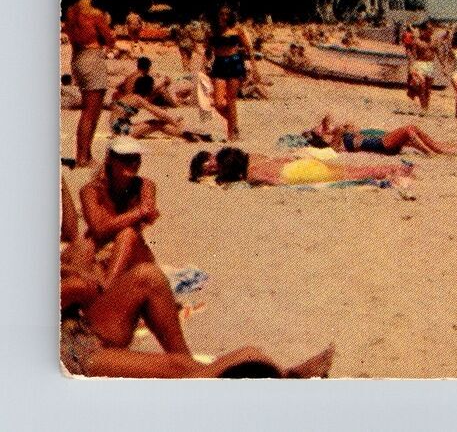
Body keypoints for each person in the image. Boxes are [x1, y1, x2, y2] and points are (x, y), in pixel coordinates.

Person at [60, 182, 334, 378]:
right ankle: (284, 381)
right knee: (241, 356)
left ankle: (194, 369)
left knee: (148, 276)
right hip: (67, 350)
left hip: (81, 324)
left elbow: (71, 229)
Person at [78, 138, 159, 282]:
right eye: (126, 159)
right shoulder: (90, 190)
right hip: (100, 252)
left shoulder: (145, 185)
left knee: (127, 235)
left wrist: (141, 214)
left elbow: (150, 214)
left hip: (133, 254)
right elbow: (99, 229)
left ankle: (107, 291)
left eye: (136, 158)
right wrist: (139, 212)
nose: (133, 163)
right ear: (110, 160)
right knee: (84, 246)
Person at [64, 0, 117, 169]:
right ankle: (83, 157)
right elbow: (109, 40)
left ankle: (84, 155)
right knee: (91, 112)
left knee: (88, 111)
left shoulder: (71, 13)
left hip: (77, 58)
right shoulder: (95, 14)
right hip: (92, 57)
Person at [190, 147, 416, 186]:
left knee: (351, 173)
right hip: (300, 164)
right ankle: (395, 168)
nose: (210, 168)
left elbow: (275, 181)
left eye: (208, 164)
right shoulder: (250, 158)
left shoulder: (248, 173)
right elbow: (277, 160)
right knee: (352, 170)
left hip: (297, 173)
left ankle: (395, 170)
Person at [107, 74, 209, 142]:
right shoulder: (137, 99)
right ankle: (186, 134)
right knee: (157, 124)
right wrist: (174, 122)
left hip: (116, 128)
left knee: (155, 123)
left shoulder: (130, 97)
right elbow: (157, 112)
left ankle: (187, 133)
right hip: (120, 131)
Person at [205, 6, 256, 141]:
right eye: (221, 14)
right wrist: (203, 67)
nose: (224, 17)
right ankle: (235, 125)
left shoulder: (237, 29)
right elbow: (208, 51)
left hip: (234, 63)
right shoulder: (211, 31)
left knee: (231, 101)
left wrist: (254, 68)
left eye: (226, 14)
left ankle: (231, 134)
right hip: (219, 64)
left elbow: (248, 48)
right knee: (218, 103)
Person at [304, 115, 457, 156]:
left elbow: (328, 119)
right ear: (320, 136)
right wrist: (337, 130)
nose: (320, 126)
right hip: (382, 143)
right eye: (317, 129)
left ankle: (448, 148)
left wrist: (341, 129)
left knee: (414, 133)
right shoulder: (335, 143)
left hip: (383, 141)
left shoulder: (340, 134)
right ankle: (430, 153)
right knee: (410, 129)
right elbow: (334, 148)